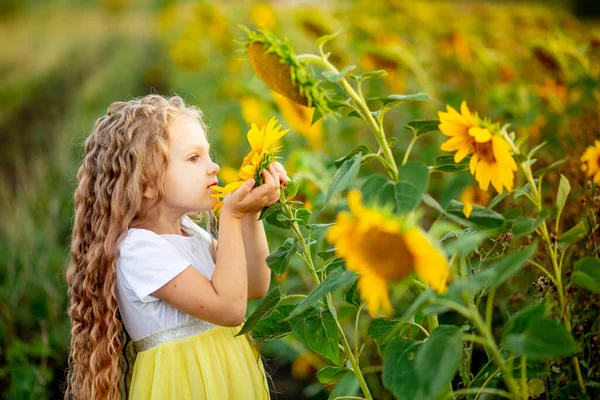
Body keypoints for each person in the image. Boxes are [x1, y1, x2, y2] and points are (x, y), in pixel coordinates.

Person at [65, 94, 290, 399]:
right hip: (184, 384)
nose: (214, 167)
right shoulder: (138, 250)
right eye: (194, 158)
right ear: (146, 182)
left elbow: (254, 285)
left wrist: (250, 214)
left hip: (226, 376)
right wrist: (232, 215)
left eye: (208, 155)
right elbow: (230, 309)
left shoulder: (189, 232)